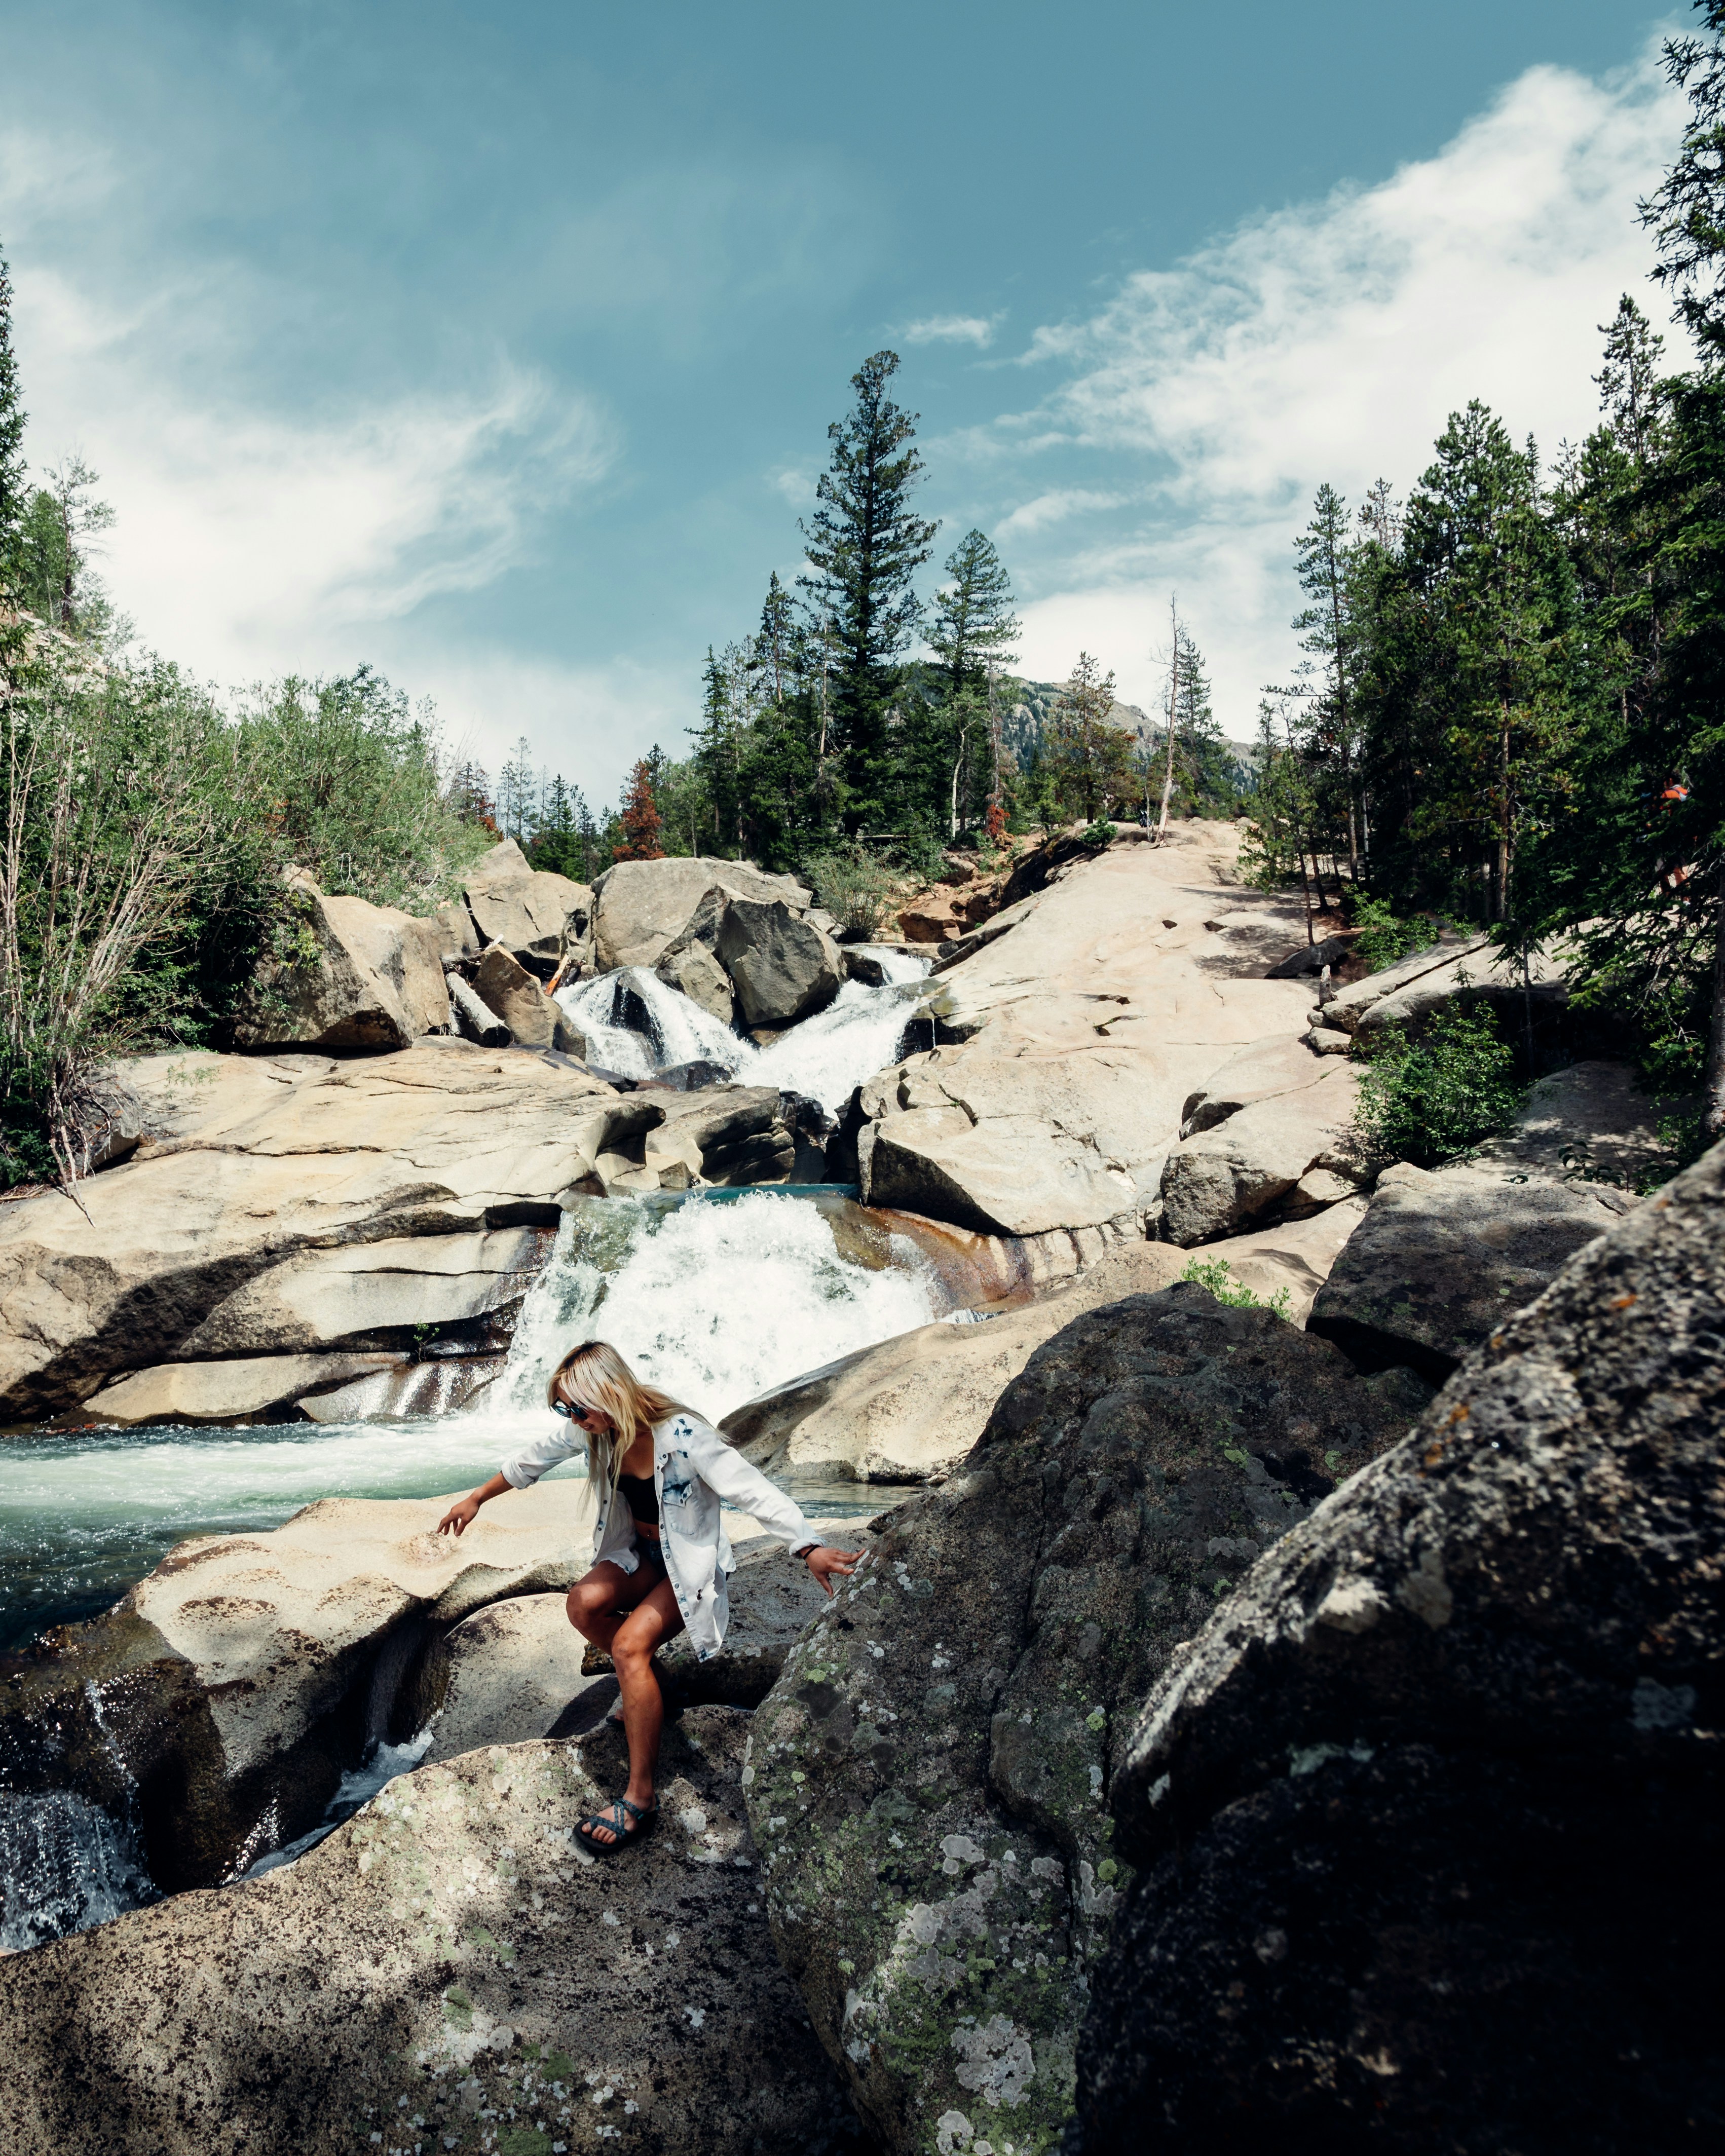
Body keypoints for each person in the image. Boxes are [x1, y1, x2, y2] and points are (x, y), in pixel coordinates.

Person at [437, 1339, 859, 1854]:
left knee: (628, 1646)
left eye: (576, 1406)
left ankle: (640, 1796)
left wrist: (806, 1544)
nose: (570, 1417)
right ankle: (654, 1685)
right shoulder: (596, 1431)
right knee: (583, 1604)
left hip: (686, 1568)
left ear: (610, 1393)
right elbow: (534, 1458)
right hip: (639, 1557)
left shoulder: (683, 1436)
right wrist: (476, 1497)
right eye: (562, 1408)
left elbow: (750, 1489)